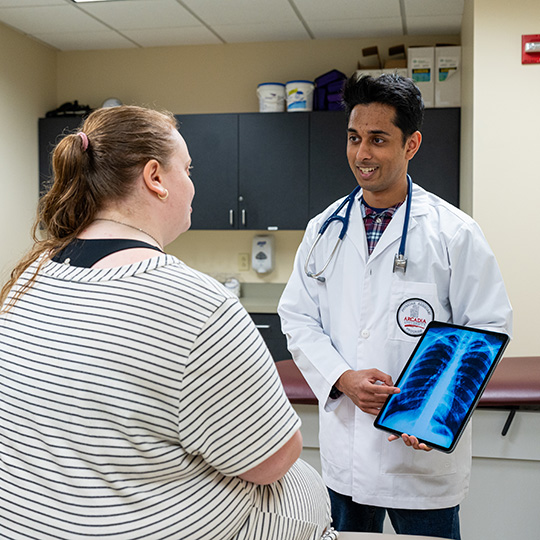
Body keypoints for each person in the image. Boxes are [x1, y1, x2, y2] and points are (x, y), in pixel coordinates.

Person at [0, 105, 337, 540]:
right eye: (188, 169)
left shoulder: (30, 277)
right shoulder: (196, 302)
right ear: (155, 177)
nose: (193, 186)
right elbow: (273, 458)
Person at [278, 73, 513, 539]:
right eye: (354, 138)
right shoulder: (323, 229)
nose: (362, 154)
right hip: (345, 458)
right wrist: (342, 377)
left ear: (412, 145)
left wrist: (433, 412)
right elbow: (298, 316)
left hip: (418, 459)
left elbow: (486, 325)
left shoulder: (454, 232)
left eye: (378, 139)